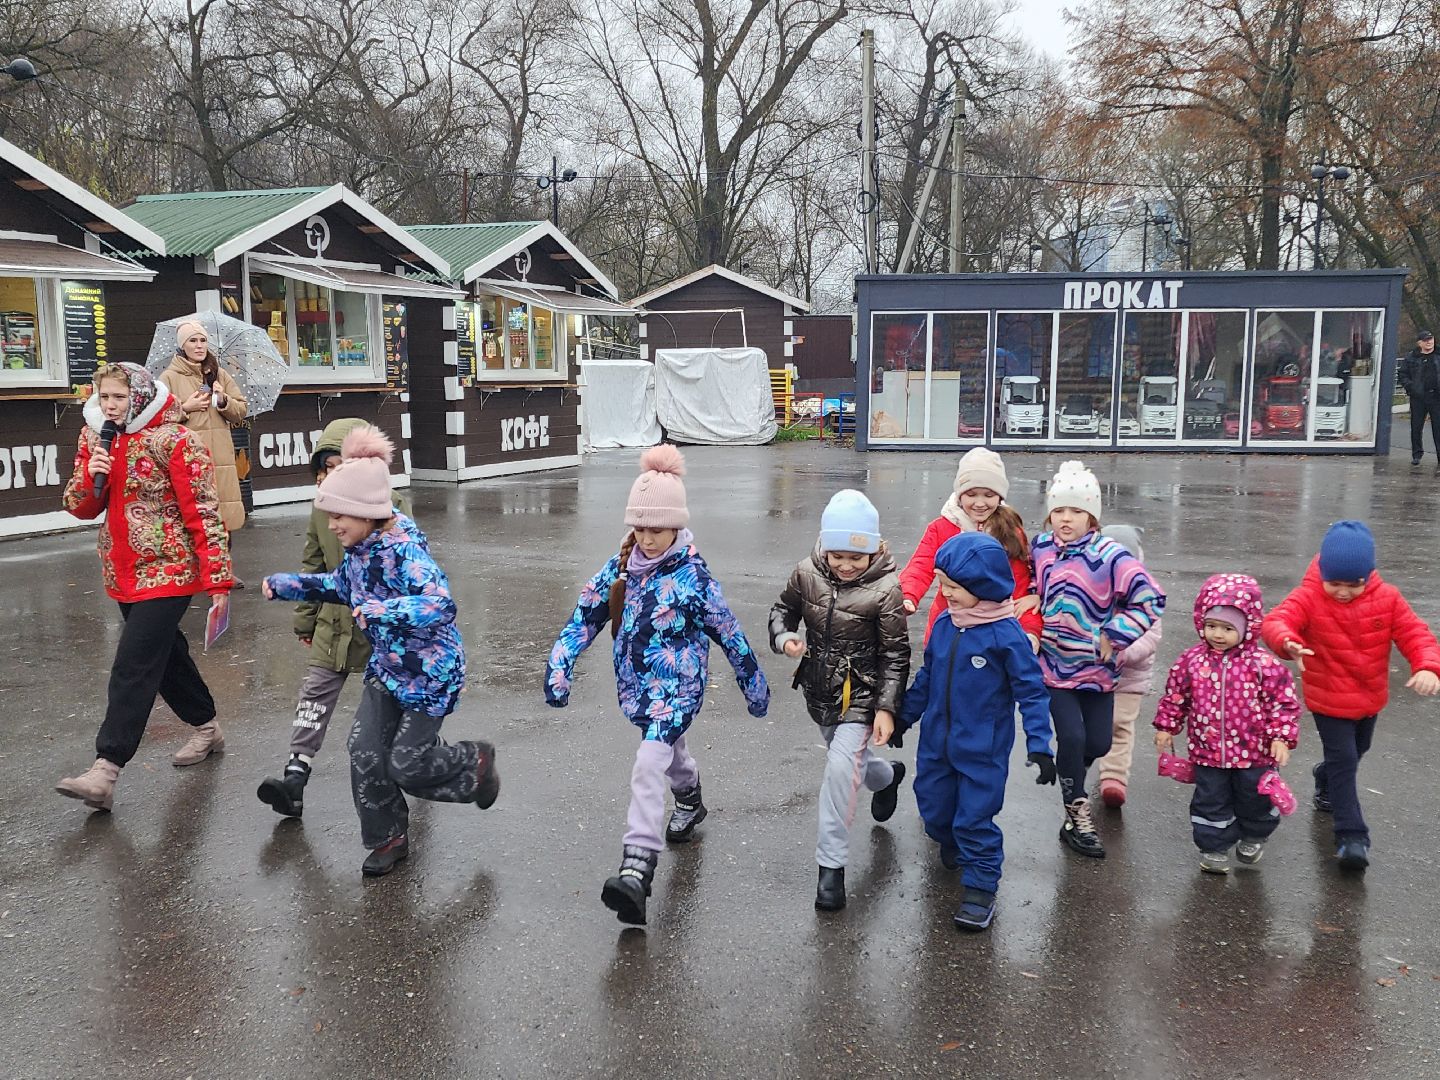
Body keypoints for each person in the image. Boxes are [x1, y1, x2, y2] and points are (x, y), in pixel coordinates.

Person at [546, 445, 769, 926]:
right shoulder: (620, 567)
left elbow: (728, 630)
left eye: (657, 529)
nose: (648, 538)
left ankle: (637, 866)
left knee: (650, 760)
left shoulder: (693, 576)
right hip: (638, 691)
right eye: (640, 528)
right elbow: (584, 618)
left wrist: (752, 683)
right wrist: (560, 665)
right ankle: (690, 799)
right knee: (670, 754)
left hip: (680, 687)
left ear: (676, 527)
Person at [262, 425, 499, 877]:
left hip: (430, 674)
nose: (332, 526)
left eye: (339, 517)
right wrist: (289, 585)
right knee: (364, 751)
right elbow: (339, 586)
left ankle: (474, 766)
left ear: (367, 511)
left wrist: (384, 610)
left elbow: (440, 603)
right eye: (328, 515)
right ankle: (387, 837)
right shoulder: (358, 551)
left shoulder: (407, 552)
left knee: (407, 764)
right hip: (386, 670)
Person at [55, 362, 233, 812]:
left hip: (171, 569)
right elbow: (81, 506)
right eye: (104, 397)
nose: (110, 406)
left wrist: (217, 580)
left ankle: (105, 769)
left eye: (118, 397)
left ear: (138, 395)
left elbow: (204, 513)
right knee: (166, 656)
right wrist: (92, 472)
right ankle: (207, 726)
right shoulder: (94, 438)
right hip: (122, 570)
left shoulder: (174, 440)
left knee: (133, 663)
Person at [892, 533, 1054, 931]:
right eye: (942, 584)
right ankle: (950, 840)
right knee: (933, 809)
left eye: (952, 587)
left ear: (981, 587)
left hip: (983, 748)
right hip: (936, 742)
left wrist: (1040, 743)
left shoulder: (1006, 635)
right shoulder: (947, 624)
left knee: (975, 820)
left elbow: (1032, 692)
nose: (943, 594)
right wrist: (903, 718)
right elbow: (928, 677)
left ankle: (980, 889)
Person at [1261, 520, 1440, 871]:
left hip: (1369, 698)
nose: (1342, 592)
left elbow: (1415, 633)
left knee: (1356, 753)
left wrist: (1427, 666)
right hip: (1328, 701)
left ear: (1368, 576)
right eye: (1335, 583)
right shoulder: (1310, 596)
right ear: (1323, 573)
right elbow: (1276, 621)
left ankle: (1323, 777)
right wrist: (1287, 641)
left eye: (1352, 585)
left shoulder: (1388, 599)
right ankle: (1351, 837)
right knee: (1345, 761)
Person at [255, 418, 412, 818]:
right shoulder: (321, 506)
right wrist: (305, 620)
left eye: (337, 466)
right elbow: (312, 565)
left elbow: (411, 568)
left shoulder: (390, 506)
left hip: (379, 626)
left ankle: (412, 760)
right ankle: (295, 775)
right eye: (323, 468)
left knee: (389, 701)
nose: (328, 476)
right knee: (315, 694)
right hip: (333, 623)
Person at [768, 489, 910, 912]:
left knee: (837, 773)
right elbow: (782, 610)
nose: (846, 565)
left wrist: (886, 708)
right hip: (820, 690)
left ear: (874, 549)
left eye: (857, 556)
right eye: (837, 555)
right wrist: (785, 637)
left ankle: (831, 870)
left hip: (862, 697)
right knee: (852, 764)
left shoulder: (886, 590)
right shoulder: (805, 573)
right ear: (825, 546)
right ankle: (887, 777)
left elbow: (895, 655)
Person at [1032, 460, 1165, 859]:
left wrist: (1116, 633)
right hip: (1053, 669)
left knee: (1099, 742)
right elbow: (1018, 578)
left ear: (1092, 515)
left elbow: (1151, 599)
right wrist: (1025, 601)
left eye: (1075, 511)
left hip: (1099, 672)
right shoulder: (1039, 549)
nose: (1066, 519)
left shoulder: (1110, 555)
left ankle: (1072, 780)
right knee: (1071, 738)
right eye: (1058, 510)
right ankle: (1076, 813)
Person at [1153, 574, 1301, 874]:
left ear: (1247, 627)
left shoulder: (1263, 665)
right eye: (1211, 626)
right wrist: (1167, 726)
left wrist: (1280, 737)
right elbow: (1176, 696)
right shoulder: (1192, 661)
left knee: (1255, 797)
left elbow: (1282, 703)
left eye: (1227, 628)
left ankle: (1254, 834)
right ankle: (1213, 846)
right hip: (1208, 751)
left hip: (1254, 752)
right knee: (1210, 798)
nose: (1217, 634)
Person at [898, 447, 1042, 647]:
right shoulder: (942, 528)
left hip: (994, 632)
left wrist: (1029, 631)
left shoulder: (1010, 531)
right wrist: (908, 595)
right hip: (948, 627)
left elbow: (1019, 586)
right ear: (959, 495)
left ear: (1000, 497)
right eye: (971, 494)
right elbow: (920, 566)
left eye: (989, 495)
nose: (980, 503)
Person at [1094, 524, 1163, 809]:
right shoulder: (1092, 586)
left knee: (1119, 727)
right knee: (1093, 728)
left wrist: (1122, 651)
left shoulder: (1146, 592)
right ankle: (1087, 760)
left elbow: (1151, 636)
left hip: (1130, 677)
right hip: (1094, 674)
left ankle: (1114, 778)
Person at [163, 320, 248, 541]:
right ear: (183, 346)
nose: (199, 346)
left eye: (203, 340)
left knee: (223, 520)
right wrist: (184, 408)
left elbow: (240, 410)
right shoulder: (169, 378)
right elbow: (158, 419)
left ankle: (224, 570)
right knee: (195, 520)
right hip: (189, 459)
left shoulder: (219, 375)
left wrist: (222, 399)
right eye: (193, 340)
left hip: (221, 458)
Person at [1399, 330, 1439, 466]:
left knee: (1438, 428)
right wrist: (1411, 387)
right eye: (1426, 340)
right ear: (1419, 343)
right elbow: (1403, 374)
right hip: (1418, 398)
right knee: (1416, 427)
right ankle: (1416, 454)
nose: (1429, 342)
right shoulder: (1411, 357)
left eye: (1431, 339)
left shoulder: (1438, 355)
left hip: (1436, 397)